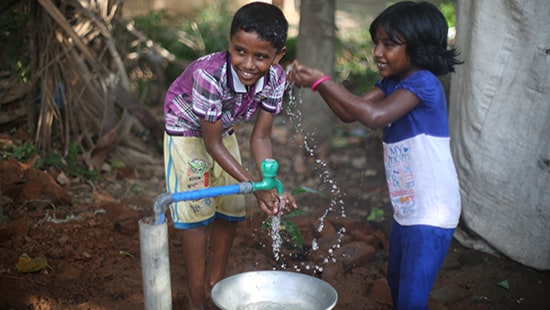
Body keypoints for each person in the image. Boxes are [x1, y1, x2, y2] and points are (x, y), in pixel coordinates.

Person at [289, 1, 462, 309]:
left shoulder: (424, 83)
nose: (378, 52)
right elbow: (348, 112)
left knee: (412, 294)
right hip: (408, 209)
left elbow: (373, 116)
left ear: (419, 46)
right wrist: (319, 86)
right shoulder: (393, 83)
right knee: (396, 281)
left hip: (432, 211)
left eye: (389, 44)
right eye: (376, 43)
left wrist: (321, 81)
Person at [163, 2, 297, 309]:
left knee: (233, 204)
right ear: (229, 44)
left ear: (278, 55)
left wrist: (268, 182)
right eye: (240, 51)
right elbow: (211, 144)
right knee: (196, 207)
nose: (248, 64)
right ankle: (197, 296)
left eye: (261, 56)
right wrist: (255, 185)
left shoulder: (276, 78)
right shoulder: (209, 75)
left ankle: (216, 285)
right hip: (186, 130)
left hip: (221, 130)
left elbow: (260, 136)